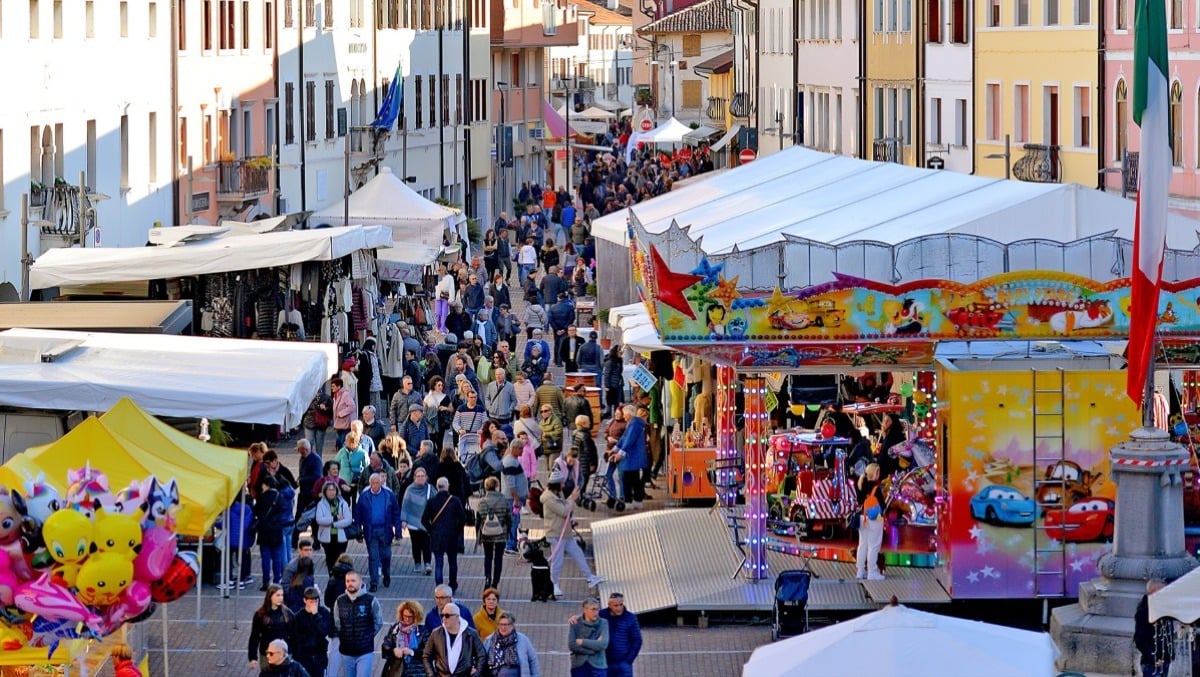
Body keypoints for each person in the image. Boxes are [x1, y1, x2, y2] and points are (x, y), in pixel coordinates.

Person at [542, 469, 604, 597]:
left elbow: (566, 509)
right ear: (556, 484)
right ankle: (553, 585)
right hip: (556, 534)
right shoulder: (549, 498)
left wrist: (572, 519)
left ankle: (589, 578)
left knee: (578, 553)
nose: (564, 485)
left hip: (565, 533)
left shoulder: (558, 494)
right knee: (557, 561)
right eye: (562, 483)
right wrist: (572, 498)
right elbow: (563, 510)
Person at [354, 473, 403, 592]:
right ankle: (374, 582)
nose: (375, 485)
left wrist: (398, 531)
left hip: (385, 531)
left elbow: (396, 513)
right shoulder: (364, 497)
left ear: (381, 483)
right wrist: (358, 531)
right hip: (371, 532)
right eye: (373, 483)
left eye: (377, 483)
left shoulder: (389, 495)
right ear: (370, 484)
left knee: (386, 555)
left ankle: (386, 574)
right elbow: (358, 515)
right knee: (373, 557)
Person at [333, 571, 385, 677]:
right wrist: (344, 636)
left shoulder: (371, 600)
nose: (350, 583)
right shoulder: (340, 601)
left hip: (364, 652)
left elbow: (378, 622)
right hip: (346, 651)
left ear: (360, 582)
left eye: (353, 580)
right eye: (347, 581)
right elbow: (337, 623)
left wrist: (368, 635)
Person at [422, 477, 467, 592]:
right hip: (452, 536)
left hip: (437, 536)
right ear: (447, 486)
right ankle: (452, 584)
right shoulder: (455, 500)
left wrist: (431, 530)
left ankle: (439, 586)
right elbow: (462, 518)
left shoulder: (431, 501)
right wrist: (456, 529)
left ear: (437, 487)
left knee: (438, 562)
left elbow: (424, 519)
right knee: (452, 561)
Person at [422, 601, 486, 677]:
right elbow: (426, 656)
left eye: (447, 615)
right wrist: (431, 675)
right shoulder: (436, 634)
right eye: (442, 615)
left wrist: (476, 673)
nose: (444, 618)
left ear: (457, 616)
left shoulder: (471, 634)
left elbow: (482, 655)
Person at [249, 584, 296, 672]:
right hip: (267, 655)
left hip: (284, 655)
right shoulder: (260, 615)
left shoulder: (288, 614)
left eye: (282, 595)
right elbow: (254, 637)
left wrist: (296, 656)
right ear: (270, 596)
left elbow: (294, 637)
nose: (280, 598)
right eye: (277, 595)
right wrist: (252, 657)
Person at [476, 477, 512, 590]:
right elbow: (509, 518)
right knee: (498, 558)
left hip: (487, 534)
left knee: (488, 556)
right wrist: (508, 531)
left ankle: (487, 579)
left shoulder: (482, 502)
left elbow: (478, 520)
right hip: (501, 534)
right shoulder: (503, 500)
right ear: (497, 486)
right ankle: (495, 582)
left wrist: (479, 536)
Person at [291, 587, 334, 677]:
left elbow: (324, 631)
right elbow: (295, 639)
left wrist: (316, 616)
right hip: (304, 657)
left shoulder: (323, 612)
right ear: (305, 600)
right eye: (311, 602)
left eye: (316, 601)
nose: (314, 604)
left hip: (320, 655)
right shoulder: (298, 617)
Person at [255, 475, 290, 588]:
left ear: (267, 485)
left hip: (264, 530)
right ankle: (276, 580)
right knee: (276, 557)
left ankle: (266, 581)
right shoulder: (280, 497)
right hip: (277, 530)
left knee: (265, 557)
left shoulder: (262, 497)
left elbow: (256, 510)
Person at [217, 492, 256, 590]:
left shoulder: (229, 510)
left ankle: (229, 581)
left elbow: (224, 525)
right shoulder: (247, 509)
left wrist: (214, 524)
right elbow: (249, 523)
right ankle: (242, 581)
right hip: (244, 538)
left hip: (231, 539)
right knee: (242, 560)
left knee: (228, 560)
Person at [1135, 579, 1173, 677]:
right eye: (1163, 591)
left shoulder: (1165, 610)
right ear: (1153, 592)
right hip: (1152, 662)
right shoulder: (1144, 612)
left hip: (1165, 658)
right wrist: (1153, 657)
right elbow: (1140, 638)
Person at [613, 405, 648, 509]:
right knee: (634, 478)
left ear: (629, 414)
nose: (623, 416)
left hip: (631, 457)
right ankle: (636, 500)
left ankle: (630, 500)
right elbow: (625, 438)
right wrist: (616, 448)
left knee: (628, 479)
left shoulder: (634, 424)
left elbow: (628, 440)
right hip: (633, 457)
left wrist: (620, 452)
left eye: (624, 414)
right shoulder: (633, 423)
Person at [484, 612, 541, 677]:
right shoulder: (489, 640)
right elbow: (482, 660)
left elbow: (533, 661)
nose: (503, 627)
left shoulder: (523, 640)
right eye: (500, 624)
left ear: (512, 625)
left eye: (505, 625)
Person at [402, 466, 436, 575]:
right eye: (418, 476)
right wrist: (404, 520)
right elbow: (405, 505)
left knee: (427, 544)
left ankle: (427, 564)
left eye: (423, 476)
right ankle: (417, 562)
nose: (421, 478)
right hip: (413, 523)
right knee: (416, 544)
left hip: (426, 522)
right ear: (414, 477)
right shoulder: (410, 489)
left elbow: (436, 503)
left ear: (426, 477)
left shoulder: (431, 489)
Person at [855, 463, 886, 581]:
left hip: (862, 518)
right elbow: (882, 505)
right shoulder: (876, 488)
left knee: (862, 544)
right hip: (875, 519)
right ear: (875, 474)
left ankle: (860, 570)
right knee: (874, 545)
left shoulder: (861, 485)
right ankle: (872, 571)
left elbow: (859, 501)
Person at [382, 600, 428, 677]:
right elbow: (386, 645)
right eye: (405, 616)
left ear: (416, 616)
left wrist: (412, 652)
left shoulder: (423, 631)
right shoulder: (395, 629)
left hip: (417, 671)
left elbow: (428, 652)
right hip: (397, 670)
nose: (407, 619)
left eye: (410, 616)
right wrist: (393, 651)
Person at [600, 593, 641, 677]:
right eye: (616, 605)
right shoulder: (602, 615)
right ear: (609, 605)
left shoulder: (630, 618)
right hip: (605, 662)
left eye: (621, 604)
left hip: (624, 662)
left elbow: (637, 640)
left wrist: (629, 659)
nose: (619, 608)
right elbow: (588, 617)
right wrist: (575, 619)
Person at [568, 597, 610, 677]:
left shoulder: (603, 623)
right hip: (579, 666)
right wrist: (594, 649)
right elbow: (572, 645)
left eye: (597, 609)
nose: (596, 612)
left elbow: (603, 644)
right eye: (593, 609)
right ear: (585, 610)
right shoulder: (575, 622)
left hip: (598, 666)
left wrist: (583, 642)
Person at [335, 433, 370, 497]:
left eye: (347, 441)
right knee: (345, 502)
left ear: (354, 442)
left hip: (357, 482)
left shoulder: (363, 453)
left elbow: (367, 468)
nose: (345, 443)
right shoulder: (342, 452)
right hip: (344, 482)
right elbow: (335, 464)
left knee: (356, 503)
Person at [303, 389, 333, 458]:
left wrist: (325, 408)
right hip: (309, 423)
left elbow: (330, 409)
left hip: (321, 424)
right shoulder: (306, 396)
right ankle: (309, 461)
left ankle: (318, 462)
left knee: (319, 445)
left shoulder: (325, 397)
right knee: (309, 443)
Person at [332, 377, 358, 450]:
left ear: (339, 386)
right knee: (339, 443)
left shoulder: (345, 394)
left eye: (333, 386)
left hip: (345, 424)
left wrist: (341, 413)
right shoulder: (336, 396)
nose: (332, 388)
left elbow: (352, 406)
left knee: (343, 443)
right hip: (338, 424)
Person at [537, 403, 564, 471]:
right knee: (548, 468)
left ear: (550, 411)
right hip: (545, 448)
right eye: (541, 411)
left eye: (545, 411)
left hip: (554, 447)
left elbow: (559, 431)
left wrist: (547, 434)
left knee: (553, 468)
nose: (543, 413)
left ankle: (553, 481)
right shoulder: (542, 421)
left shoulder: (556, 420)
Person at [601, 345, 624, 418]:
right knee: (610, 402)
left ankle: (615, 416)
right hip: (612, 385)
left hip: (618, 384)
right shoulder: (610, 362)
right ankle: (609, 415)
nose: (621, 354)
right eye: (620, 352)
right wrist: (607, 386)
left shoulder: (619, 361)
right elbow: (607, 374)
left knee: (617, 401)